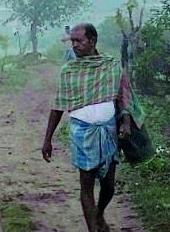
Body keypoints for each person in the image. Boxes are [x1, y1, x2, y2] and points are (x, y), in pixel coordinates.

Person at [41, 23, 141, 232]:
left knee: (109, 185)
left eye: (79, 41)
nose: (74, 46)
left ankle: (99, 213)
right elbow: (59, 105)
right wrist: (48, 139)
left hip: (108, 131)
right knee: (86, 184)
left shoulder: (111, 66)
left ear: (93, 41)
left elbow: (124, 97)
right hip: (81, 132)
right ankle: (93, 228)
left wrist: (125, 123)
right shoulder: (69, 71)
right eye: (72, 41)